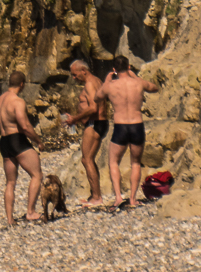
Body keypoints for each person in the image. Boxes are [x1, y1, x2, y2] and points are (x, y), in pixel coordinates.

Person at [101, 55, 159, 208]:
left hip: (120, 126)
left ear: (114, 70)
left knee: (113, 162)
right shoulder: (138, 83)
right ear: (129, 67)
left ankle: (119, 197)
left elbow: (96, 97)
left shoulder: (110, 85)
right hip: (136, 125)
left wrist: (107, 80)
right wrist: (135, 76)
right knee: (135, 163)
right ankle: (133, 199)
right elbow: (154, 87)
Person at [0, 70, 45, 225]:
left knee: (10, 182)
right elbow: (24, 126)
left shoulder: (1, 99)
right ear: (22, 84)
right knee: (37, 175)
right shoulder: (17, 101)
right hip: (17, 140)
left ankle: (10, 219)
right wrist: (38, 141)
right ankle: (30, 212)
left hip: (4, 142)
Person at [62, 58, 109, 206]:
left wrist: (75, 118)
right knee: (88, 159)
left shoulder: (89, 84)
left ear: (84, 70)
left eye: (75, 75)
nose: (74, 78)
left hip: (95, 123)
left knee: (86, 160)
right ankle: (95, 195)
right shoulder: (97, 81)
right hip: (98, 123)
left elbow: (93, 108)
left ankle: (97, 197)